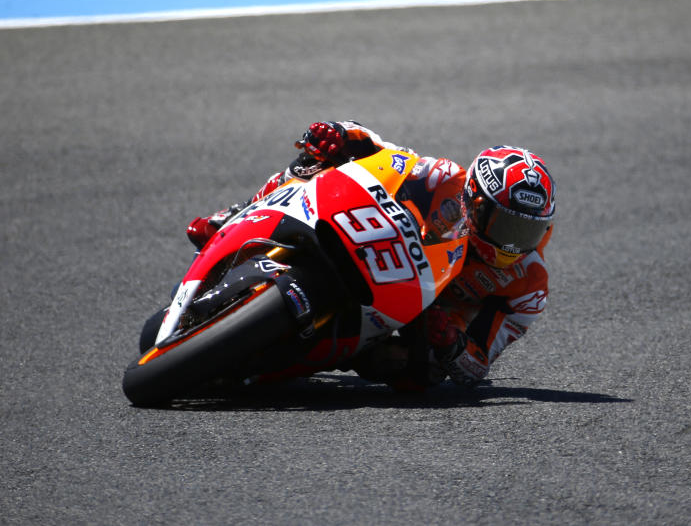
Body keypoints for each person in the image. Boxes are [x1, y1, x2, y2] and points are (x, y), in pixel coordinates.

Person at [186, 121, 556, 390]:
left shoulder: (530, 288)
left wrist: (449, 342)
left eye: (527, 232)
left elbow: (477, 367)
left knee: (418, 375)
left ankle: (306, 355)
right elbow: (389, 156)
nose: (513, 244)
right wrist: (341, 135)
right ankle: (236, 215)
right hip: (380, 247)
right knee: (315, 164)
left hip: (419, 315)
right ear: (475, 202)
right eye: (507, 226)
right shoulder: (445, 178)